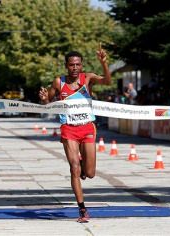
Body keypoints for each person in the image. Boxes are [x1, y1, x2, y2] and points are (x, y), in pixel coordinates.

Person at [38, 46, 111, 223]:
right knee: (74, 169)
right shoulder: (59, 82)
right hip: (69, 129)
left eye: (78, 64)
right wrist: (44, 99)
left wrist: (104, 63)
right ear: (66, 66)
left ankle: (82, 163)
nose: (75, 68)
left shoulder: (88, 79)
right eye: (72, 65)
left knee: (91, 173)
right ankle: (82, 209)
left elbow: (107, 81)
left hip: (87, 128)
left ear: (82, 65)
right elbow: (49, 104)